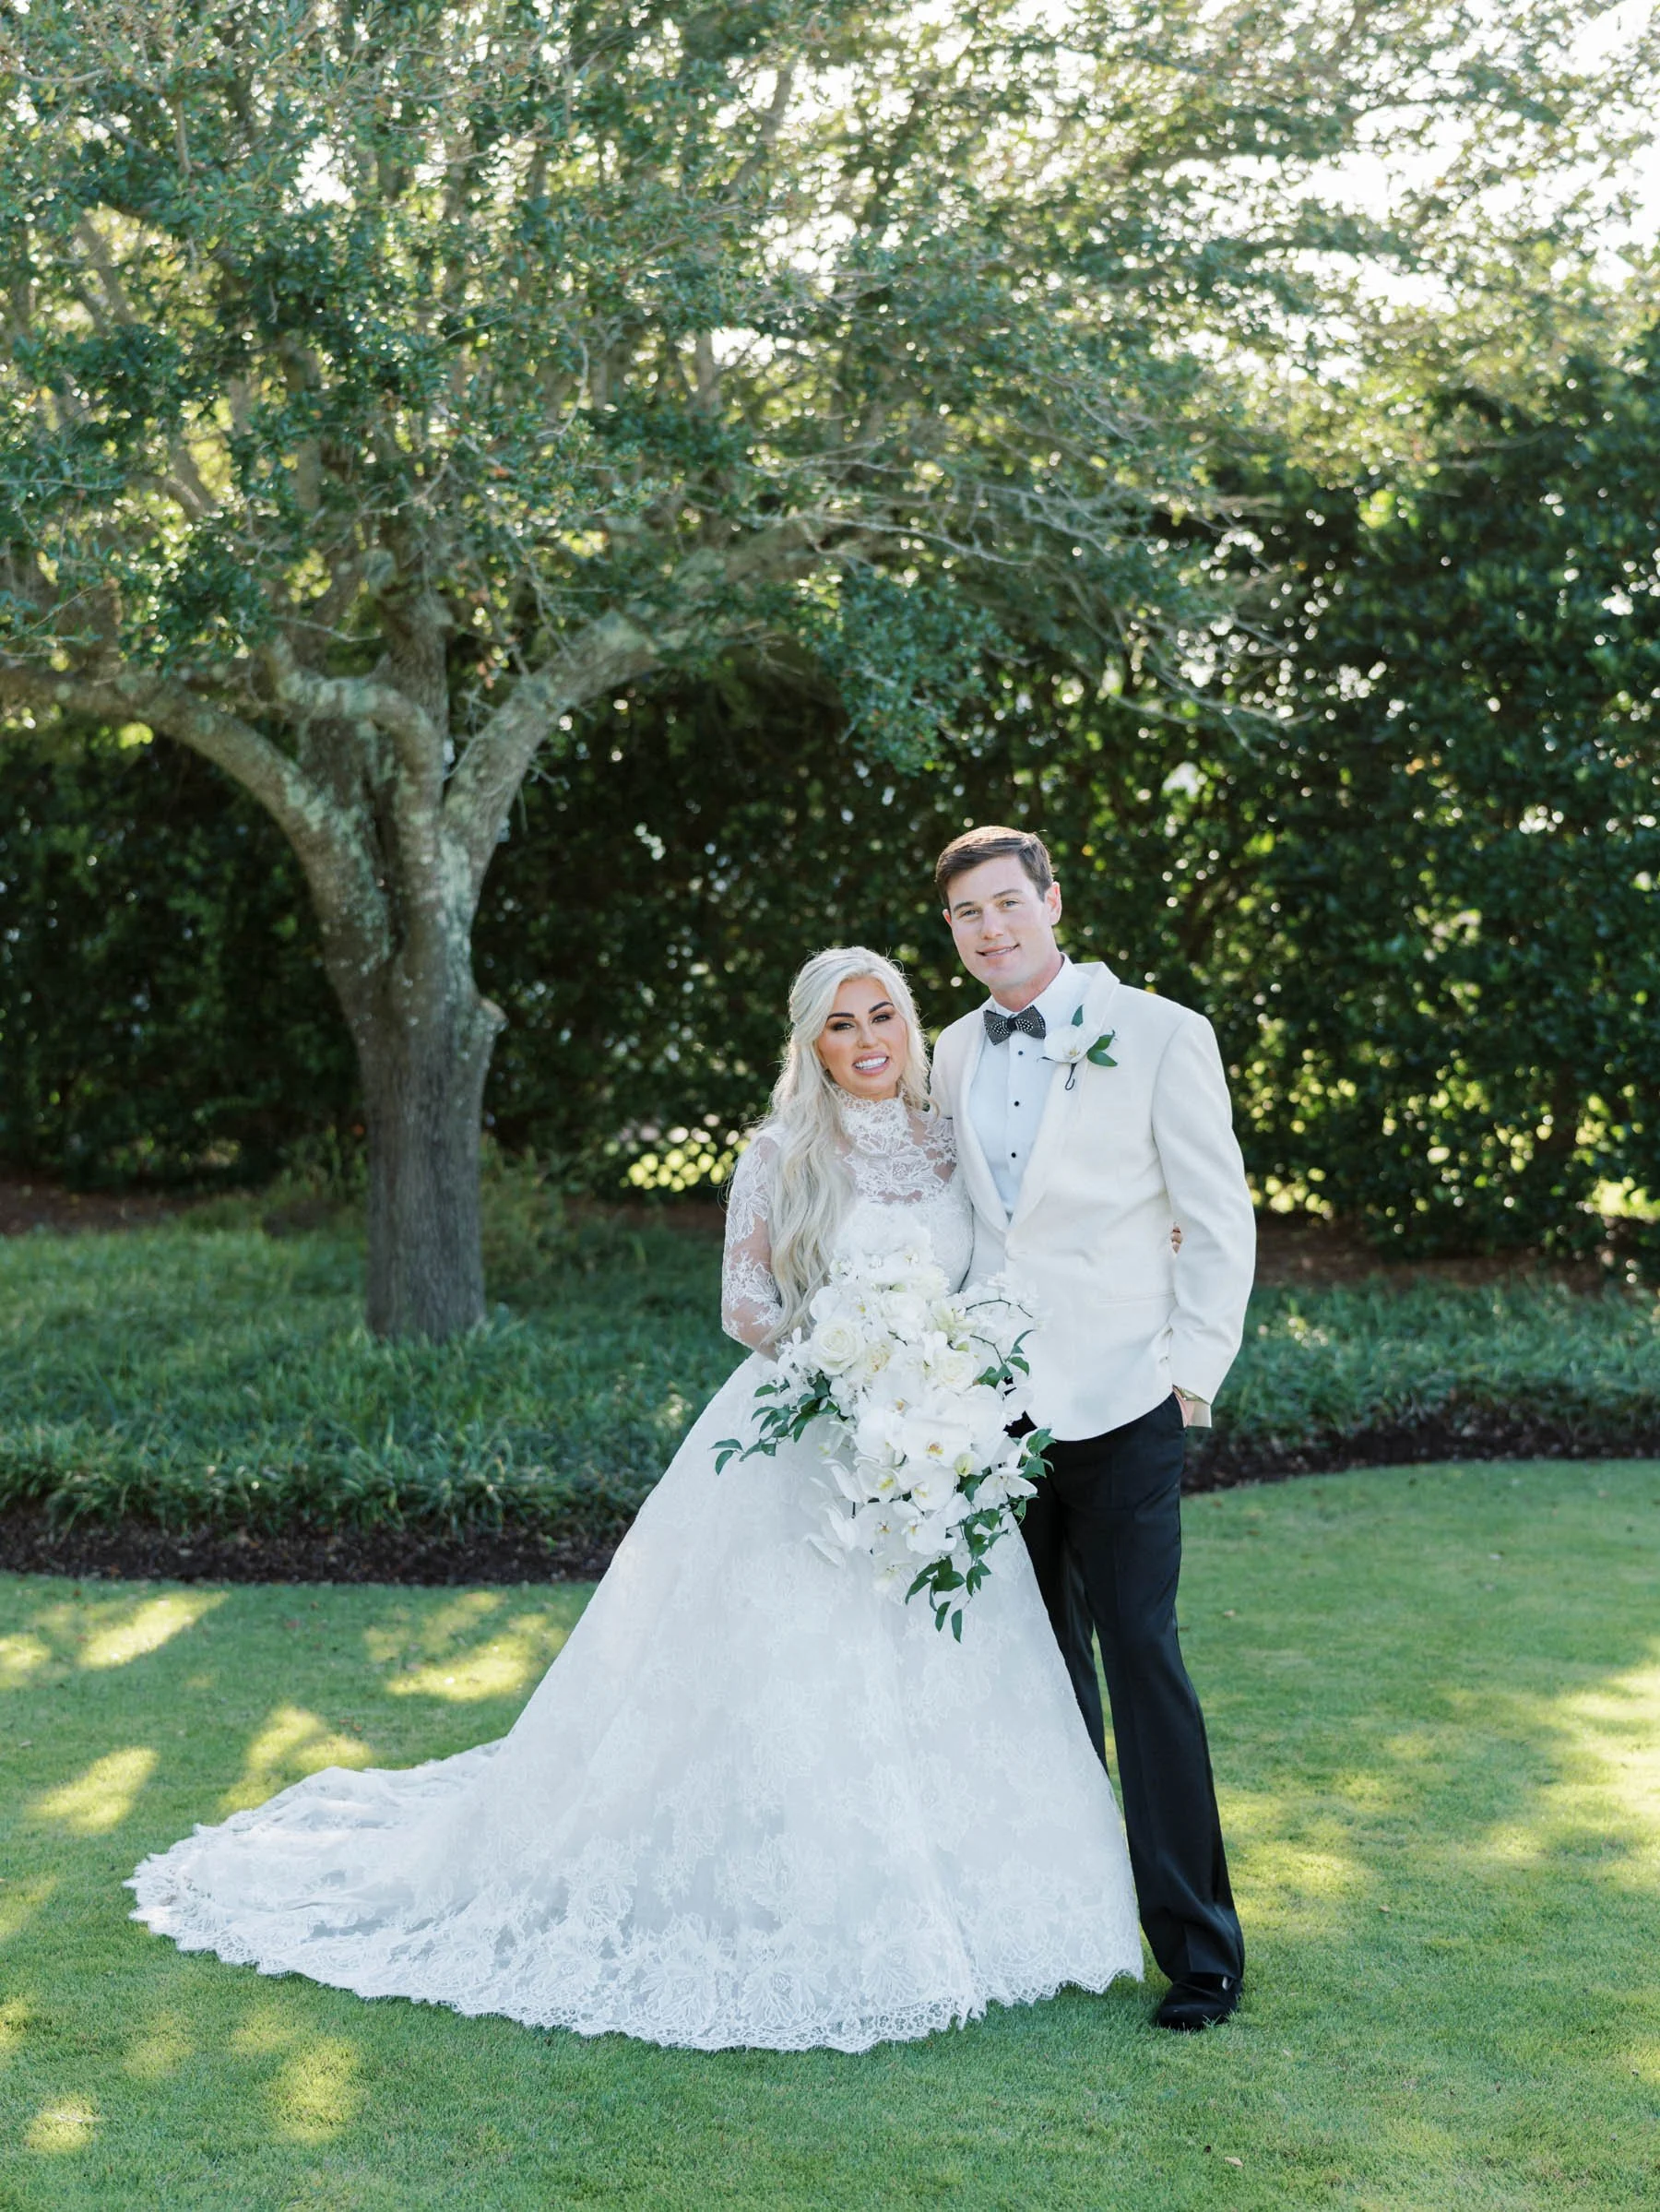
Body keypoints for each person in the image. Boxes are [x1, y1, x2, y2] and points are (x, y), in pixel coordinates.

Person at [130, 947, 1143, 2053]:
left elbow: (1000, 1269)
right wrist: (850, 1362)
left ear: (909, 1026)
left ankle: (982, 1901)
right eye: (842, 1027)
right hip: (809, 1437)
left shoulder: (953, 1144)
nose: (867, 1042)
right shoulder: (780, 1153)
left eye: (883, 1017)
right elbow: (745, 1303)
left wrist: (936, 1376)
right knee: (794, 1677)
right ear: (812, 1046)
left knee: (953, 1666)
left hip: (931, 1444)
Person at [929, 827, 1256, 2032]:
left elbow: (1217, 1218)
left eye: (1008, 903)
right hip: (994, 1410)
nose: (991, 928)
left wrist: (1191, 1375)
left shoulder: (1163, 1031)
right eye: (967, 915)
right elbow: (970, 1232)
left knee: (1142, 1660)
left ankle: (1200, 1953)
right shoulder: (952, 1054)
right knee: (1036, 1673)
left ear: (1053, 900)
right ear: (952, 933)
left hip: (1127, 1399)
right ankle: (1061, 1920)